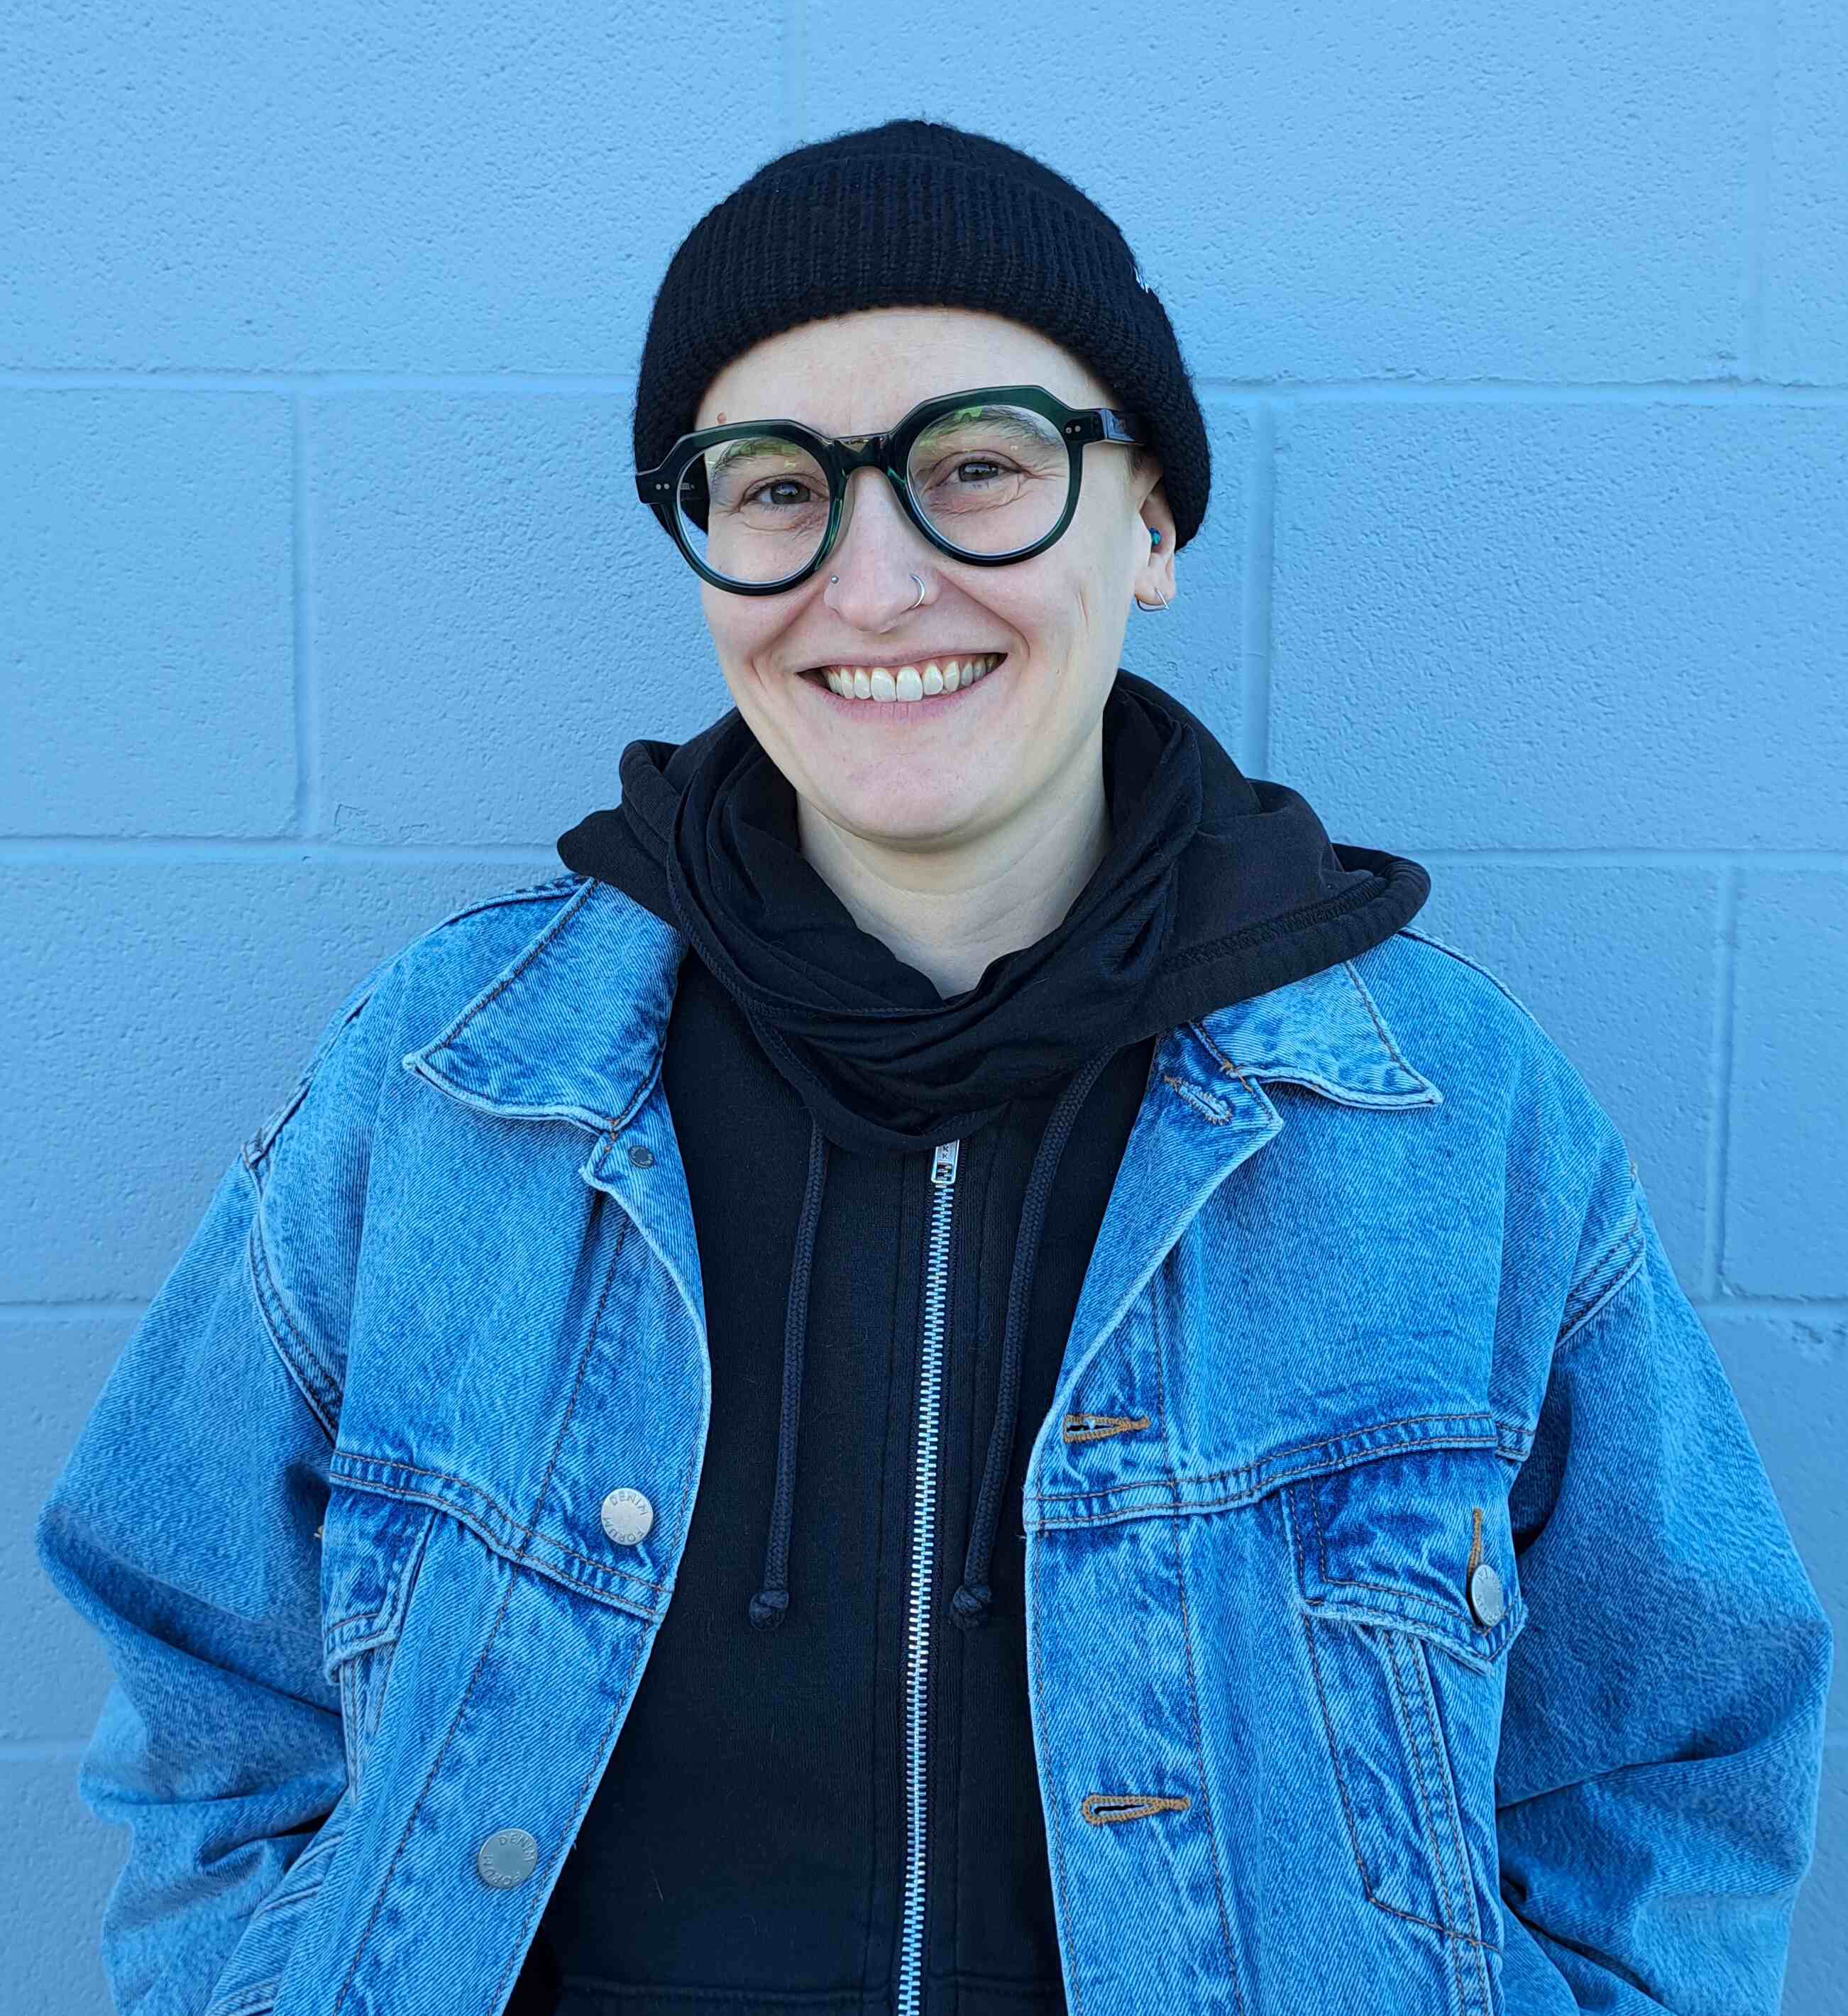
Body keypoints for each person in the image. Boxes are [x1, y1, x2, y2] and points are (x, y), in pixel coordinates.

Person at [36, 119, 1832, 2016]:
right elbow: (200, 1676)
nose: (875, 582)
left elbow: (1677, 1751)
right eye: (774, 487)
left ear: (1150, 527)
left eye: (979, 466)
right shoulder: (455, 1084)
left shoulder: (1442, 1116)